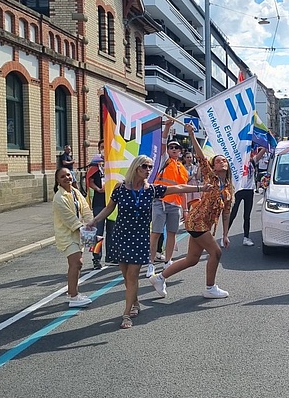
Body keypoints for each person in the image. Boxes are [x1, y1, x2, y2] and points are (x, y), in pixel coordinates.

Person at [88, 155, 210, 329]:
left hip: (140, 237)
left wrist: (201, 187)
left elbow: (178, 188)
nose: (148, 170)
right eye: (145, 166)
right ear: (136, 167)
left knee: (132, 276)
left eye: (150, 167)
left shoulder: (151, 190)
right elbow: (109, 208)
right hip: (121, 235)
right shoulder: (120, 188)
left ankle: (126, 314)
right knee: (126, 277)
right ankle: (135, 303)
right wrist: (94, 221)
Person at [150, 123, 233, 299]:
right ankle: (210, 288)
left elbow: (226, 213)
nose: (221, 162)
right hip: (197, 221)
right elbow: (202, 158)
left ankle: (159, 278)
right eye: (217, 160)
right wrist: (191, 135)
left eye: (224, 160)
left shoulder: (228, 188)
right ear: (213, 166)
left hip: (204, 225)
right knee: (216, 252)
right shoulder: (211, 177)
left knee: (192, 259)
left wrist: (225, 234)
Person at [148, 120, 189, 277]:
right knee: (156, 233)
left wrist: (185, 209)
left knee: (172, 234)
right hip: (160, 202)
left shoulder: (183, 169)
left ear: (180, 151)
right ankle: (150, 263)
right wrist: (167, 127)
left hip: (175, 205)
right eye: (171, 147)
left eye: (176, 147)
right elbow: (163, 142)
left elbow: (183, 190)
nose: (173, 149)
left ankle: (168, 261)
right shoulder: (164, 160)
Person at [53, 167, 95, 307]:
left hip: (78, 234)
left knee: (78, 264)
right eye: (62, 176)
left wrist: (91, 222)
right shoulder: (59, 198)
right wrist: (84, 228)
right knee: (76, 263)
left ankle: (73, 293)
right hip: (67, 235)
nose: (67, 178)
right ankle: (73, 296)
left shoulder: (76, 192)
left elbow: (86, 209)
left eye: (68, 175)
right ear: (58, 180)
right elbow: (70, 220)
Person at [228, 146, 267, 246]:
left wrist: (262, 142)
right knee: (233, 213)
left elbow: (263, 150)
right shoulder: (236, 162)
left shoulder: (253, 161)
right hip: (238, 190)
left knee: (247, 215)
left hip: (249, 190)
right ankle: (225, 235)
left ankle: (246, 237)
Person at [86, 154, 106, 270]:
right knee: (98, 232)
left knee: (113, 230)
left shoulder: (114, 163)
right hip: (99, 202)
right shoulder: (96, 164)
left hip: (111, 201)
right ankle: (96, 258)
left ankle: (113, 256)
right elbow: (90, 180)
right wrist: (98, 189)